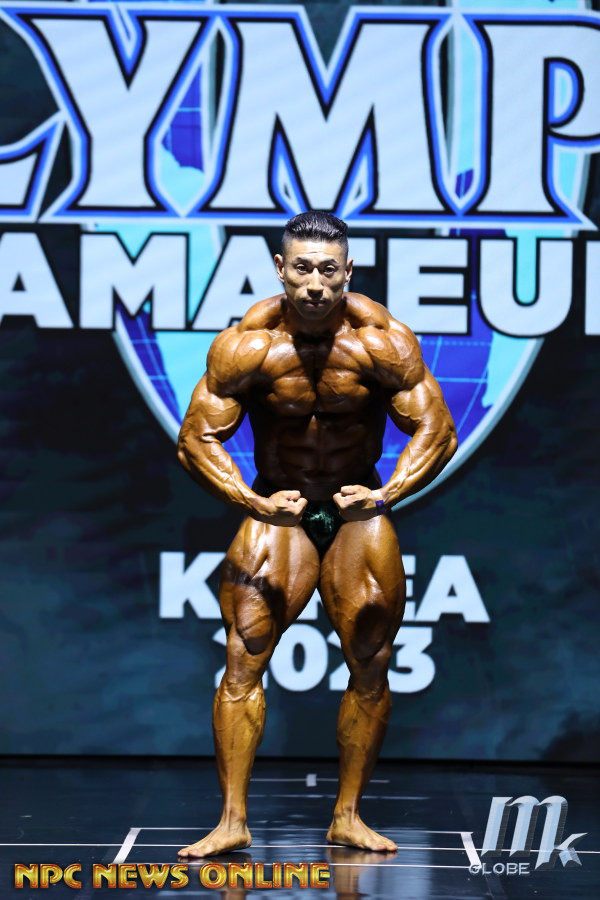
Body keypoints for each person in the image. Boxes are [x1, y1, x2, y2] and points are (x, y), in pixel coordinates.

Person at [176, 211, 457, 857]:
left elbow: (437, 429)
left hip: (357, 506)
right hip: (280, 505)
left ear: (347, 271)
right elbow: (196, 439)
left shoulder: (381, 340)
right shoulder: (247, 345)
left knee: (371, 659)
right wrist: (250, 499)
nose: (314, 283)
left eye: (328, 270)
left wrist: (386, 493)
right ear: (281, 269)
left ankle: (348, 816)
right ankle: (231, 821)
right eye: (302, 268)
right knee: (244, 656)